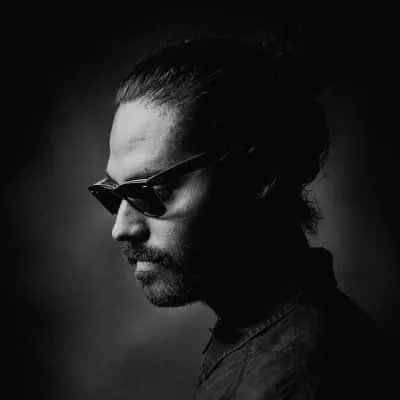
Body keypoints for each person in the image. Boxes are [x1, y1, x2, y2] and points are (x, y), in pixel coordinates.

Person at [88, 36, 393, 399]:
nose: (122, 228)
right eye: (113, 194)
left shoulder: (292, 379)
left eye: (152, 190)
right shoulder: (287, 337)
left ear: (257, 175)